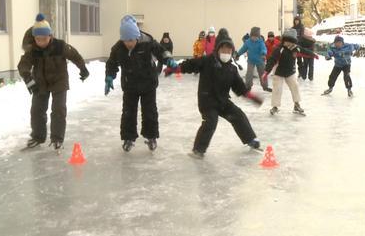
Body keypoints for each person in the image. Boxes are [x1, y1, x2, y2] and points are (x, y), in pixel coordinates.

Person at [165, 28, 264, 158]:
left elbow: (239, 87)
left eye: (229, 50)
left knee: (238, 115)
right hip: (207, 101)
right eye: (223, 50)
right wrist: (175, 68)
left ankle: (250, 139)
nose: (226, 52)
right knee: (211, 121)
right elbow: (190, 65)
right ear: (217, 50)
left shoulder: (231, 69)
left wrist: (250, 96)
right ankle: (198, 149)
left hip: (222, 101)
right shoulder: (207, 61)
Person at [105, 15, 179, 152]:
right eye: (125, 40)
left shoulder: (148, 42)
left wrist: (168, 59)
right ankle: (128, 138)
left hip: (148, 84)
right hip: (130, 85)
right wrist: (109, 76)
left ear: (137, 37)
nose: (128, 43)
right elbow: (111, 63)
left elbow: (161, 51)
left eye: (131, 40)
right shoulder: (118, 47)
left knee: (150, 112)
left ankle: (151, 137)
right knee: (128, 112)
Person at [17, 16, 89, 150]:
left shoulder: (60, 46)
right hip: (40, 83)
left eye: (44, 39)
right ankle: (37, 137)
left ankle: (57, 138)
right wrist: (28, 78)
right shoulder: (33, 50)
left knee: (58, 109)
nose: (41, 42)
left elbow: (74, 55)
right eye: (38, 39)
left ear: (50, 36)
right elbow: (23, 65)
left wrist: (83, 68)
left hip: (59, 82)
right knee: (37, 110)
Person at [263, 28, 317, 116]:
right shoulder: (279, 49)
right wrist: (266, 71)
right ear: (283, 40)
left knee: (295, 86)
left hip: (290, 72)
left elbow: (305, 51)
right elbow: (272, 60)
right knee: (277, 88)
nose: (288, 43)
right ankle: (275, 106)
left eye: (290, 41)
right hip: (278, 72)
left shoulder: (296, 48)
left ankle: (296, 105)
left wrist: (313, 55)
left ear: (294, 42)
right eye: (286, 41)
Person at [236, 27, 270, 92]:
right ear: (250, 36)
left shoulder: (261, 42)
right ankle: (248, 86)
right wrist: (238, 54)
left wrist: (263, 54)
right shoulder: (248, 42)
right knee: (249, 73)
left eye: (256, 37)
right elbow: (243, 49)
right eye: (253, 37)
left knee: (262, 73)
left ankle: (265, 86)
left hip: (260, 60)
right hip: (251, 60)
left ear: (258, 37)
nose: (254, 38)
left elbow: (263, 48)